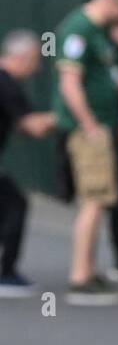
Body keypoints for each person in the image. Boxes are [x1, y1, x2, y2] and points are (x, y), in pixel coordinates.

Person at [51, 0, 118, 305]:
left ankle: (87, 269)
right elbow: (69, 83)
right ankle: (80, 276)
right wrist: (89, 124)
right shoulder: (80, 28)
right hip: (91, 129)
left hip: (99, 124)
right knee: (94, 198)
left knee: (99, 198)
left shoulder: (97, 31)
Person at [0, 30, 57, 296]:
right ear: (22, 57)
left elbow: (23, 125)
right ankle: (6, 273)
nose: (37, 68)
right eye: (35, 60)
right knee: (16, 204)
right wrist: (70, 115)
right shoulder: (7, 84)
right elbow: (32, 127)